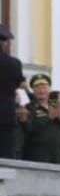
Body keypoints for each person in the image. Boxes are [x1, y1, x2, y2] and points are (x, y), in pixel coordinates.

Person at [21, 73, 60, 164]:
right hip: (37, 153)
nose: (41, 90)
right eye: (38, 88)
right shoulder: (29, 107)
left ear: (49, 89)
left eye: (44, 87)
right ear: (33, 90)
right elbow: (28, 128)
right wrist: (49, 118)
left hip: (57, 152)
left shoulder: (56, 105)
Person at [0, 23, 25, 160]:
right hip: (6, 114)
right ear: (4, 43)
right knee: (6, 155)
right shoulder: (14, 63)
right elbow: (18, 84)